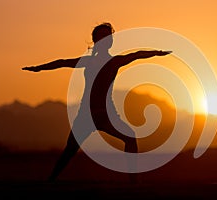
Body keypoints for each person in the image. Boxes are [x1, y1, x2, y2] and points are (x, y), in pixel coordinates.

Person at [22, 22, 171, 181]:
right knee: (70, 150)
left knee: (130, 137)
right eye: (103, 37)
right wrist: (39, 68)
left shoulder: (115, 61)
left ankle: (132, 182)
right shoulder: (88, 61)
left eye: (109, 37)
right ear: (96, 41)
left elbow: (137, 54)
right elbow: (62, 62)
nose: (107, 40)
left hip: (107, 115)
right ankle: (50, 180)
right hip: (86, 115)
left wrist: (157, 52)